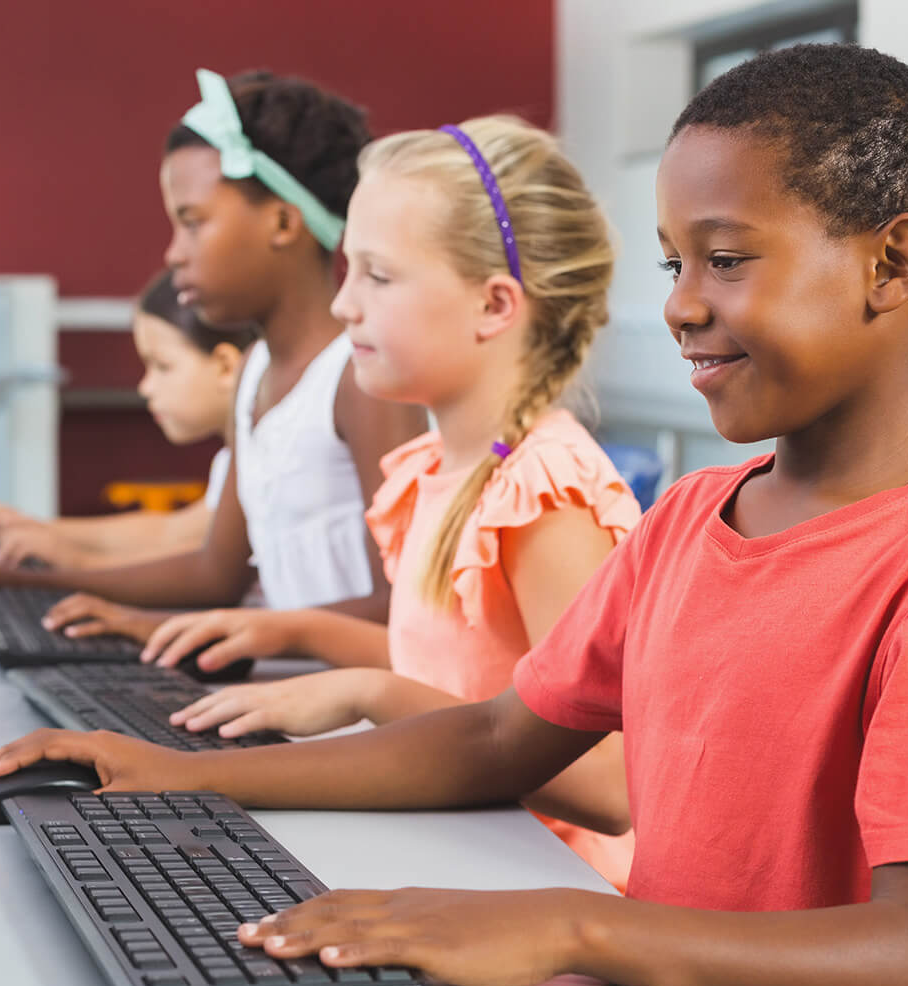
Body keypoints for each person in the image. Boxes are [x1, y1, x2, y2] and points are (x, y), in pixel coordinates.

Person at [0, 44, 908, 986]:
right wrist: (180, 774)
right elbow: (494, 739)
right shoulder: (688, 520)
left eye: (727, 259)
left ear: (894, 261)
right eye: (673, 261)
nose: (680, 304)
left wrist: (575, 925)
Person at [130, 116, 641, 883]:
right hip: (463, 855)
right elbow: (455, 671)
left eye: (378, 275)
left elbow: (611, 786)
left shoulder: (545, 495)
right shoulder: (440, 468)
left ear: (495, 305)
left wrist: (370, 693)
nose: (344, 307)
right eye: (348, 272)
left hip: (548, 891)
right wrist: (294, 634)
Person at [0, 68, 426, 632]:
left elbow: (401, 604)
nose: (174, 253)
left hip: (347, 715)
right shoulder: (255, 374)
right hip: (283, 694)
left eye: (193, 223)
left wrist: (178, 628)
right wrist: (25, 583)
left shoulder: (359, 377)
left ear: (283, 221)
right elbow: (214, 573)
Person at [0, 269, 257, 571]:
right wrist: (33, 528)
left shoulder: (261, 461)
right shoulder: (234, 459)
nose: (145, 387)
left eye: (162, 366)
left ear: (225, 367)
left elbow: (195, 557)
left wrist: (75, 561)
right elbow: (170, 532)